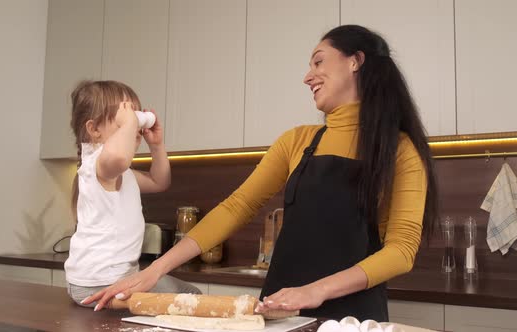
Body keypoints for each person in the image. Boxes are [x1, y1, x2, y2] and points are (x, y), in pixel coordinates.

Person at [85, 25, 438, 321]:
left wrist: (315, 291)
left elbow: (402, 251)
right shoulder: (297, 141)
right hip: (280, 309)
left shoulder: (400, 151)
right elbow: (236, 207)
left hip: (353, 316)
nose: (307, 76)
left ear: (355, 61)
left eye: (318, 62)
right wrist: (154, 271)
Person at [65, 80, 201, 309]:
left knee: (191, 293)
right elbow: (117, 157)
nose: (133, 125)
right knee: (188, 302)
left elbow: (160, 181)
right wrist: (130, 123)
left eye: (134, 118)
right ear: (94, 130)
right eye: (121, 119)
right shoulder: (98, 166)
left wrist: (156, 145)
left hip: (119, 279)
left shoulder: (122, 173)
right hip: (97, 285)